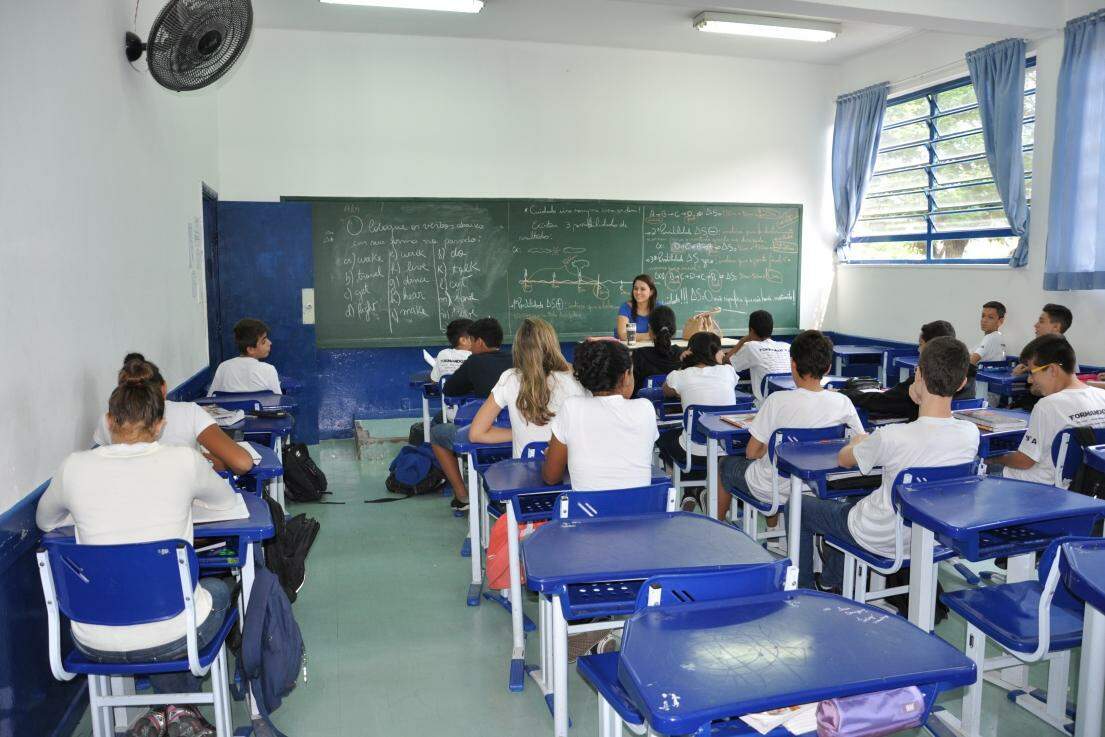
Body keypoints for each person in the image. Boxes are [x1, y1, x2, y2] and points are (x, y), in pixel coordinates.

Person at [37, 371, 240, 737]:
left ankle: (163, 712)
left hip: (92, 638)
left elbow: (45, 520)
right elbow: (227, 503)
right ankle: (179, 711)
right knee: (217, 590)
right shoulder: (183, 460)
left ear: (109, 421)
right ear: (160, 425)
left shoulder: (73, 466)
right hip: (177, 634)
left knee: (147, 603)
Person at [796, 336, 979, 591]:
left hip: (879, 535)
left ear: (919, 373)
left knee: (800, 504)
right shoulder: (971, 433)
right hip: (931, 536)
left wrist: (858, 442)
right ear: (962, 383)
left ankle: (804, 587)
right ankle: (830, 580)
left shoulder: (892, 435)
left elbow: (844, 459)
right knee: (855, 503)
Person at [717, 331, 865, 521]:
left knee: (725, 464)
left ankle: (717, 524)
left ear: (793, 364)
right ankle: (776, 535)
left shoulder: (776, 401)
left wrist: (771, 447)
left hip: (773, 488)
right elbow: (860, 443)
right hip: (816, 488)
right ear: (828, 368)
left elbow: (751, 453)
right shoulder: (843, 402)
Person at [94, 354, 253, 475]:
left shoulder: (107, 420)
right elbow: (242, 463)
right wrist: (200, 461)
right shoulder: (190, 413)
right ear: (163, 388)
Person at [988, 335, 1105, 487]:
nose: (1030, 380)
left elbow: (1024, 462)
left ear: (1052, 370)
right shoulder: (1102, 396)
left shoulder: (1047, 406)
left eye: (1032, 372)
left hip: (1037, 486)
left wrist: (994, 457)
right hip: (1086, 484)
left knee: (981, 464)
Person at [543, 340, 658, 490]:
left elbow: (551, 478)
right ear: (625, 377)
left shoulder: (572, 408)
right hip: (642, 511)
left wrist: (553, 455)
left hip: (587, 512)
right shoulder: (646, 409)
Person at [468, 318, 585, 459]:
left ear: (517, 348)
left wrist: (517, 433)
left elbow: (476, 434)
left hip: (524, 476)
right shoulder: (576, 377)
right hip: (568, 473)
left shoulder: (510, 378)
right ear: (553, 344)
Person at [429, 317, 513, 511]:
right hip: (516, 433)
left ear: (480, 342)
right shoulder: (516, 359)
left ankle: (462, 497)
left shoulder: (475, 361)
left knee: (436, 433)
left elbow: (450, 389)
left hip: (486, 434)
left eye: (472, 341)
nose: (471, 346)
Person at [839, 320, 976, 422]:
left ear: (931, 347)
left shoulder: (924, 380)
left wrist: (844, 394)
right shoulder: (968, 379)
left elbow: (882, 402)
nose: (918, 350)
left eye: (921, 345)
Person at [658, 332, 738, 500]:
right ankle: (696, 490)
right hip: (726, 451)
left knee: (664, 438)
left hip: (693, 454)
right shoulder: (728, 372)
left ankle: (691, 489)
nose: (723, 353)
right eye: (720, 350)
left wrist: (683, 364)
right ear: (714, 352)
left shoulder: (681, 375)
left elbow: (666, 390)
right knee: (688, 435)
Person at [722, 310, 791, 405]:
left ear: (751, 330)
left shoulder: (751, 346)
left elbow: (726, 362)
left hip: (764, 407)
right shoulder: (787, 347)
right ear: (771, 329)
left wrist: (742, 341)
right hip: (788, 403)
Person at [208, 318, 281, 395]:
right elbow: (278, 403)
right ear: (250, 349)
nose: (270, 343)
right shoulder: (269, 370)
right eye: (263, 341)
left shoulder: (223, 367)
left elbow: (210, 399)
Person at [1012, 304, 1076, 375]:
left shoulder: (1060, 352)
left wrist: (1017, 375)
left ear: (1056, 327)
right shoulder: (1050, 349)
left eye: (1041, 321)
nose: (1036, 325)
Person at [630, 305, 681, 394]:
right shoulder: (682, 355)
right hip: (675, 407)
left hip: (645, 405)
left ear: (650, 330)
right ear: (674, 330)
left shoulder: (638, 355)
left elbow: (632, 390)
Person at [615, 274, 658, 341]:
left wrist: (632, 336)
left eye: (642, 289)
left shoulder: (659, 308)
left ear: (651, 292)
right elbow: (622, 335)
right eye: (635, 288)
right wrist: (650, 335)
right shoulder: (625, 307)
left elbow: (666, 333)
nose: (638, 292)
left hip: (651, 348)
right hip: (627, 349)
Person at [430, 319, 474, 383]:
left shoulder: (442, 354)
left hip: (446, 392)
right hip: (471, 393)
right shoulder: (476, 357)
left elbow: (434, 381)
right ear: (463, 340)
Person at [970, 301, 1007, 365]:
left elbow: (971, 361)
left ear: (1000, 321)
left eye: (990, 317)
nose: (984, 320)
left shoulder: (991, 338)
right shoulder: (996, 336)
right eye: (983, 316)